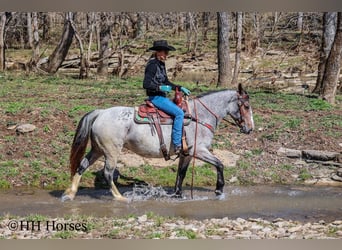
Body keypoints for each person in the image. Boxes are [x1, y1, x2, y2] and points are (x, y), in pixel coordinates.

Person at [143, 40, 191, 155]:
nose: (167, 55)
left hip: (161, 97)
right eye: (165, 52)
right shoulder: (152, 65)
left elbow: (166, 81)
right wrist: (160, 88)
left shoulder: (161, 64)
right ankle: (177, 144)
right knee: (179, 113)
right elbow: (146, 84)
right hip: (155, 97)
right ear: (158, 52)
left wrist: (179, 88)